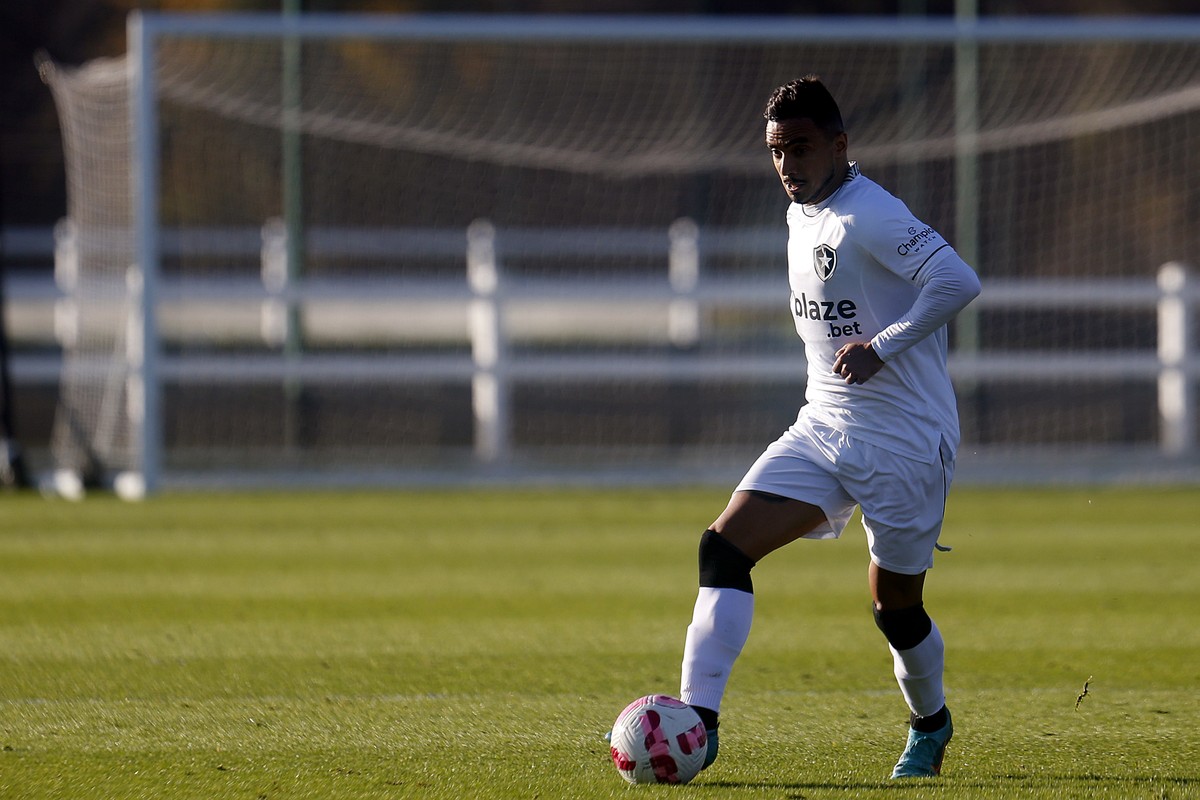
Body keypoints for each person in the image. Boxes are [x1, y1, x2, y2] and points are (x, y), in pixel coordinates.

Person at [678, 75, 981, 779]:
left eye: (802, 148)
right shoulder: (802, 214)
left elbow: (958, 281)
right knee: (723, 547)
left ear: (840, 145)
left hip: (906, 444)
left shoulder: (868, 212)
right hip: (823, 428)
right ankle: (698, 724)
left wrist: (882, 347)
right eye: (777, 151)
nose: (788, 165)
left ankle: (930, 725)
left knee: (895, 609)